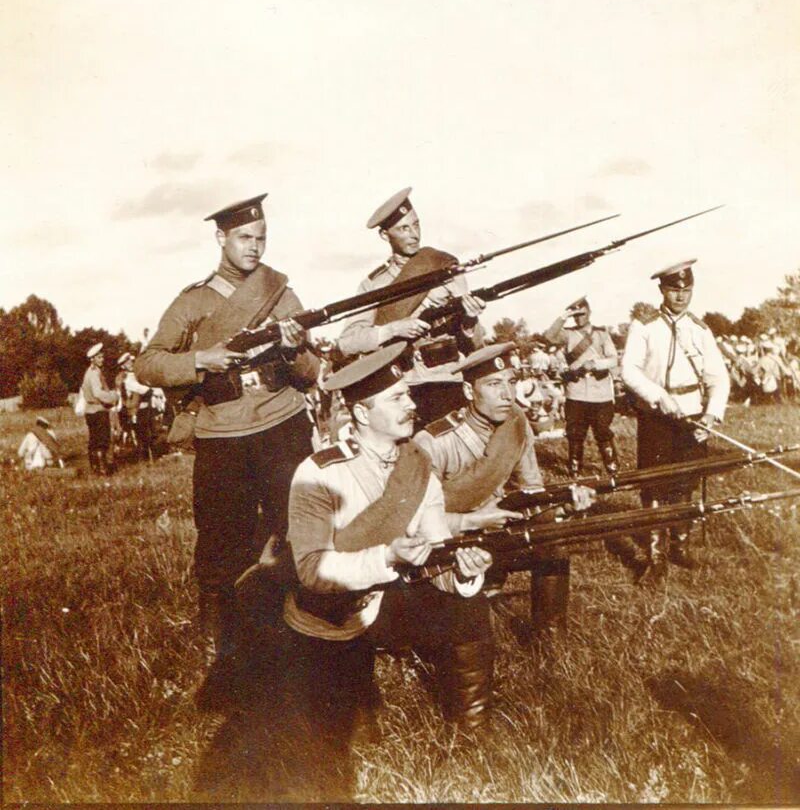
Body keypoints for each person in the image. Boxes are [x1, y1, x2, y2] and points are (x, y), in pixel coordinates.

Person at [282, 342, 493, 797]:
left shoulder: (417, 463)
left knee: (470, 607)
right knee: (353, 738)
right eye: (397, 397)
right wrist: (387, 557)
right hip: (337, 611)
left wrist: (461, 570)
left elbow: (435, 549)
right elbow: (312, 570)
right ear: (361, 412)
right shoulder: (319, 473)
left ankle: (472, 732)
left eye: (408, 394)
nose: (412, 404)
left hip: (392, 596)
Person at [134, 193, 319, 704]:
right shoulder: (193, 302)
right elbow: (146, 364)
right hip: (221, 435)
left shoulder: (282, 294)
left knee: (297, 527)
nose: (254, 247)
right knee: (219, 540)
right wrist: (201, 359)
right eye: (244, 238)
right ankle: (220, 650)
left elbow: (310, 374)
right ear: (221, 238)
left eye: (261, 238)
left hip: (283, 424)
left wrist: (294, 348)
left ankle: (302, 632)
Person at [414, 342, 594, 635]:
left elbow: (530, 489)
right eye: (494, 384)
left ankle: (550, 635)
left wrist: (563, 505)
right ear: (469, 392)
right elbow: (417, 520)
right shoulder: (434, 441)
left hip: (500, 530)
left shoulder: (516, 424)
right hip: (452, 542)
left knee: (552, 534)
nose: (507, 394)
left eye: (511, 383)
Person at [337, 187, 485, 428]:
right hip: (404, 388)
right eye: (404, 228)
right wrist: (394, 329)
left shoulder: (445, 268)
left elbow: (477, 343)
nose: (414, 234)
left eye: (416, 225)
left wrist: (469, 320)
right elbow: (348, 342)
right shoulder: (374, 284)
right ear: (385, 235)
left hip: (448, 380)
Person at [622, 259, 730, 573]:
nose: (680, 296)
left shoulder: (700, 328)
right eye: (673, 289)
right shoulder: (644, 324)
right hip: (656, 415)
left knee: (686, 483)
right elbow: (629, 370)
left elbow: (718, 378)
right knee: (654, 485)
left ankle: (679, 547)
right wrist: (658, 397)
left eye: (686, 290)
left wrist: (711, 416)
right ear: (662, 290)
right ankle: (655, 556)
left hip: (693, 414)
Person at [544, 296, 619, 477]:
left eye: (582, 314)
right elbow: (548, 337)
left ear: (589, 313)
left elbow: (613, 359)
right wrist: (563, 316)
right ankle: (574, 469)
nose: (579, 319)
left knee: (602, 432)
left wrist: (596, 364)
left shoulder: (602, 334)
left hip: (600, 393)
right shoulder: (567, 334)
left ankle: (612, 468)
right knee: (575, 433)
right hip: (576, 393)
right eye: (575, 315)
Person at [80, 343, 119, 475]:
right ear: (93, 359)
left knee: (94, 440)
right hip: (98, 410)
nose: (102, 360)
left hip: (90, 411)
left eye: (102, 357)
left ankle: (95, 468)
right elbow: (98, 393)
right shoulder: (94, 374)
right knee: (102, 440)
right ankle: (102, 469)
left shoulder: (91, 372)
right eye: (99, 358)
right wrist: (112, 397)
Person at [119, 352, 156, 460]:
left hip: (145, 407)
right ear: (123, 366)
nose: (130, 363)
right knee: (142, 435)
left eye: (130, 361)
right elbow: (144, 390)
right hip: (136, 409)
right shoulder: (127, 379)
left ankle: (150, 457)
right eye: (127, 363)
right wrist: (149, 389)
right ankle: (144, 458)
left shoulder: (134, 374)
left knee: (148, 432)